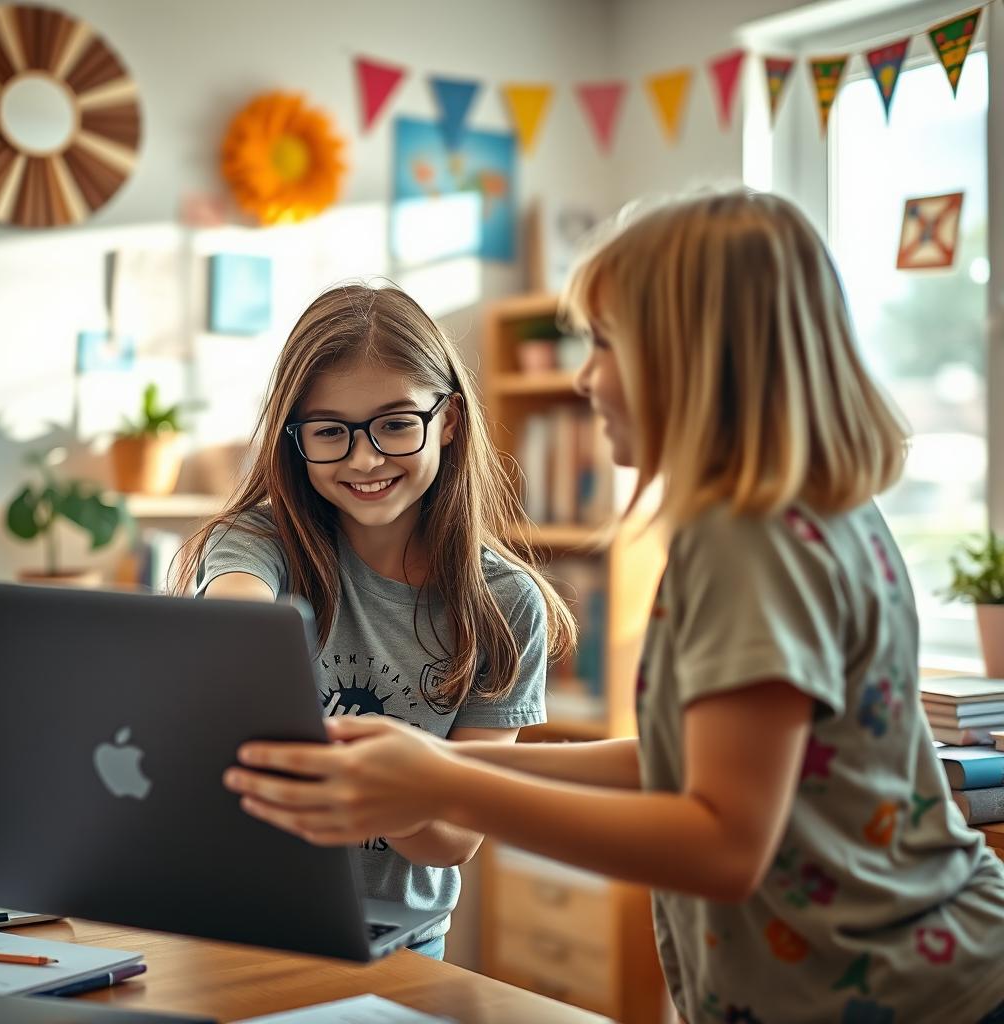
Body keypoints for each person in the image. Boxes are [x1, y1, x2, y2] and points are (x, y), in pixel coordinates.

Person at [221, 191, 1004, 1022]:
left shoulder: (754, 538)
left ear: (693, 354)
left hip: (906, 995)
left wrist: (444, 782)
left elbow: (724, 842)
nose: (586, 377)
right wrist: (438, 769)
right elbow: (682, 761)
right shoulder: (808, 508)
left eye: (604, 343)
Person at [176, 282, 576, 960]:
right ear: (294, 439)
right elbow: (237, 613)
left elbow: (454, 837)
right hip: (234, 916)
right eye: (330, 432)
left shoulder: (505, 606)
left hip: (394, 939)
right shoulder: (256, 541)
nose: (364, 459)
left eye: (395, 424)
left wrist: (361, 781)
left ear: (448, 419)